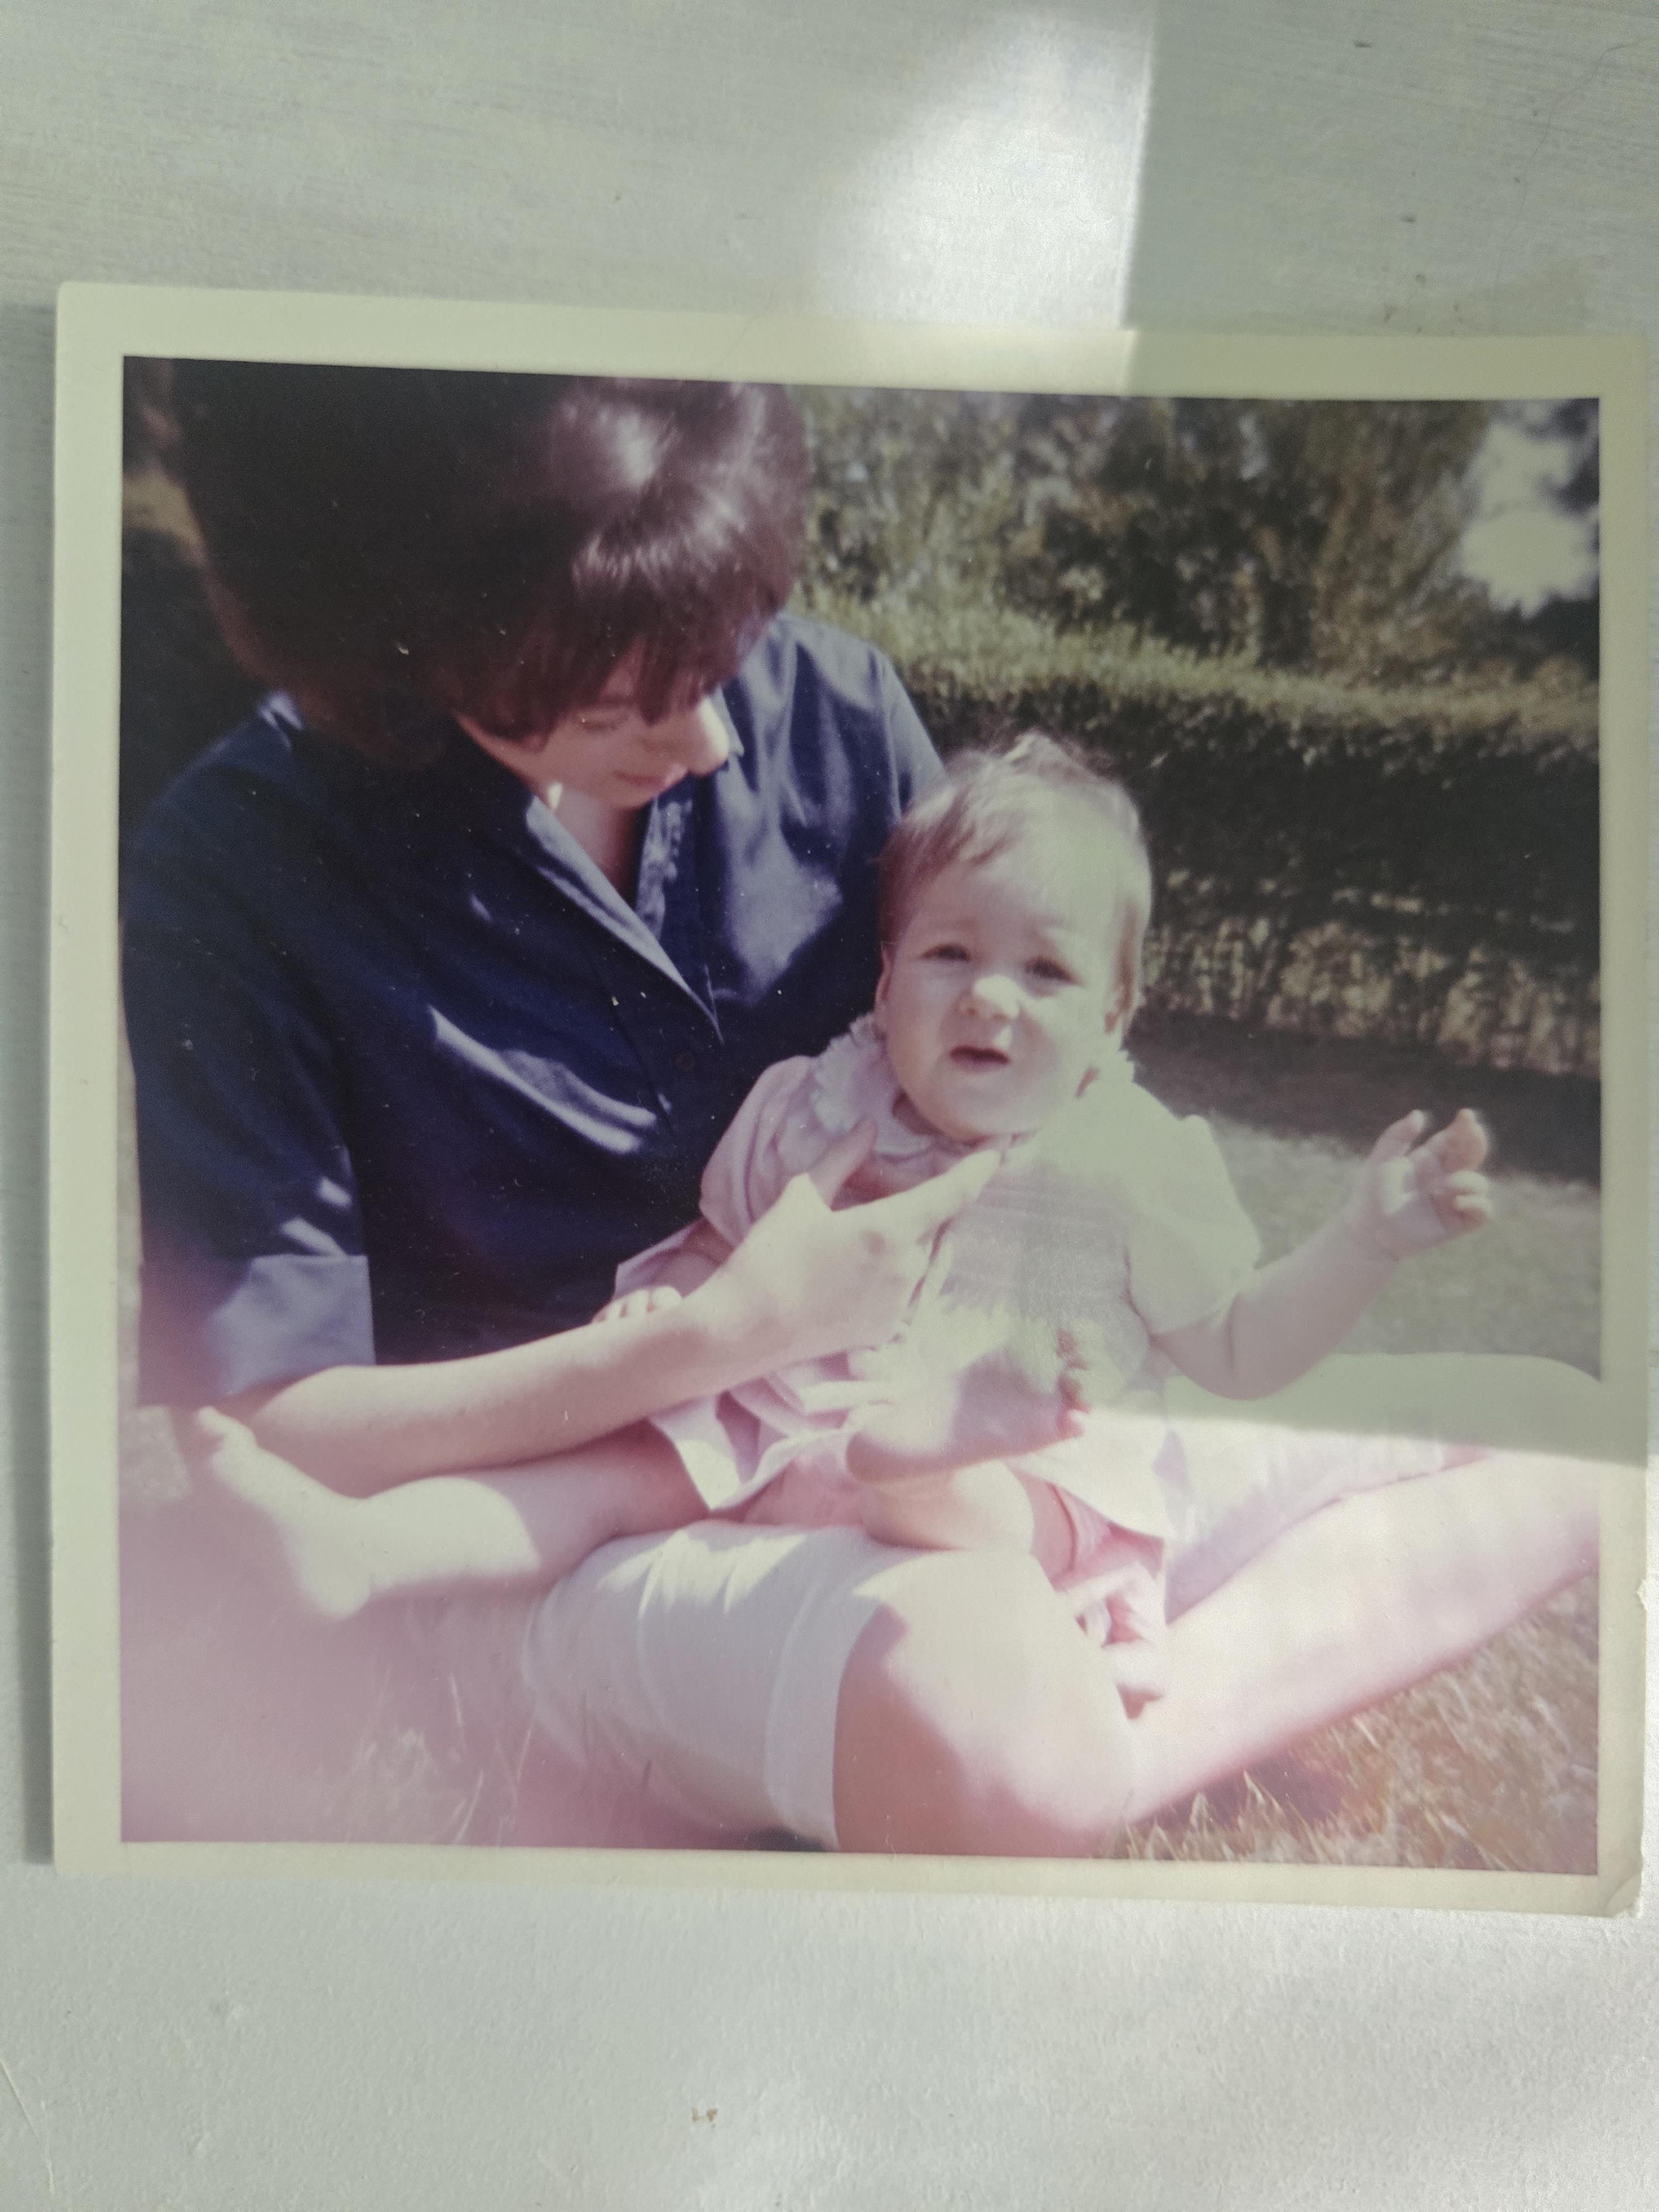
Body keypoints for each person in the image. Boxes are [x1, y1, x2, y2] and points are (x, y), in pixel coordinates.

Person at [123, 361, 1600, 1858]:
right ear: (417, 639)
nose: (711, 741)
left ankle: (1128, 1699)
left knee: (1565, 1442)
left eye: (724, 655)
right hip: (601, 1519)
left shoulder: (825, 707)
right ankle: (1044, 1728)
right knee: (989, 1723)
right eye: (628, 692)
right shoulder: (242, 871)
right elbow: (281, 1436)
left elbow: (1034, 1041)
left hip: (969, 1440)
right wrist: (723, 1334)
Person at [196, 734, 1495, 1734]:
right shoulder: (830, 1101)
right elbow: (727, 1245)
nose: (990, 995)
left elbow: (1240, 1345)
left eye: (1045, 971)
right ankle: (363, 1550)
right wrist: (678, 1303)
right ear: (884, 982)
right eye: (948, 954)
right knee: (610, 1476)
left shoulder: (1131, 1160)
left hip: (1015, 1485)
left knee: (1006, 1511)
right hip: (787, 1431)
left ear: (1116, 1013)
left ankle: (939, 1444)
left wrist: (1363, 1242)